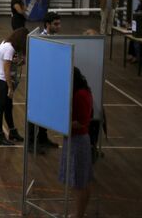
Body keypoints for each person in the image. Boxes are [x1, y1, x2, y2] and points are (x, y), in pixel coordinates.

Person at [59, 67, 94, 218]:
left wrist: (61, 123)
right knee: (80, 181)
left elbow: (82, 122)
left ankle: (78, 214)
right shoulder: (83, 92)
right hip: (76, 140)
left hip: (78, 141)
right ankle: (78, 213)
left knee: (79, 183)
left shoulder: (80, 95)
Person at [27, 12, 61, 153]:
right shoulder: (41, 40)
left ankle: (42, 137)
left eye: (59, 23)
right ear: (47, 24)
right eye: (56, 24)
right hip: (39, 83)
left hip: (48, 82)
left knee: (45, 112)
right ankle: (30, 143)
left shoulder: (53, 39)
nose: (59, 27)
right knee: (35, 113)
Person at [0, 27, 28, 145]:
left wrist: (20, 61)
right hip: (3, 81)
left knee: (8, 107)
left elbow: (13, 64)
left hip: (5, 80)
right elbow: (6, 70)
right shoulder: (9, 48)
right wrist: (10, 88)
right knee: (0, 107)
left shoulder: (6, 43)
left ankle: (12, 132)